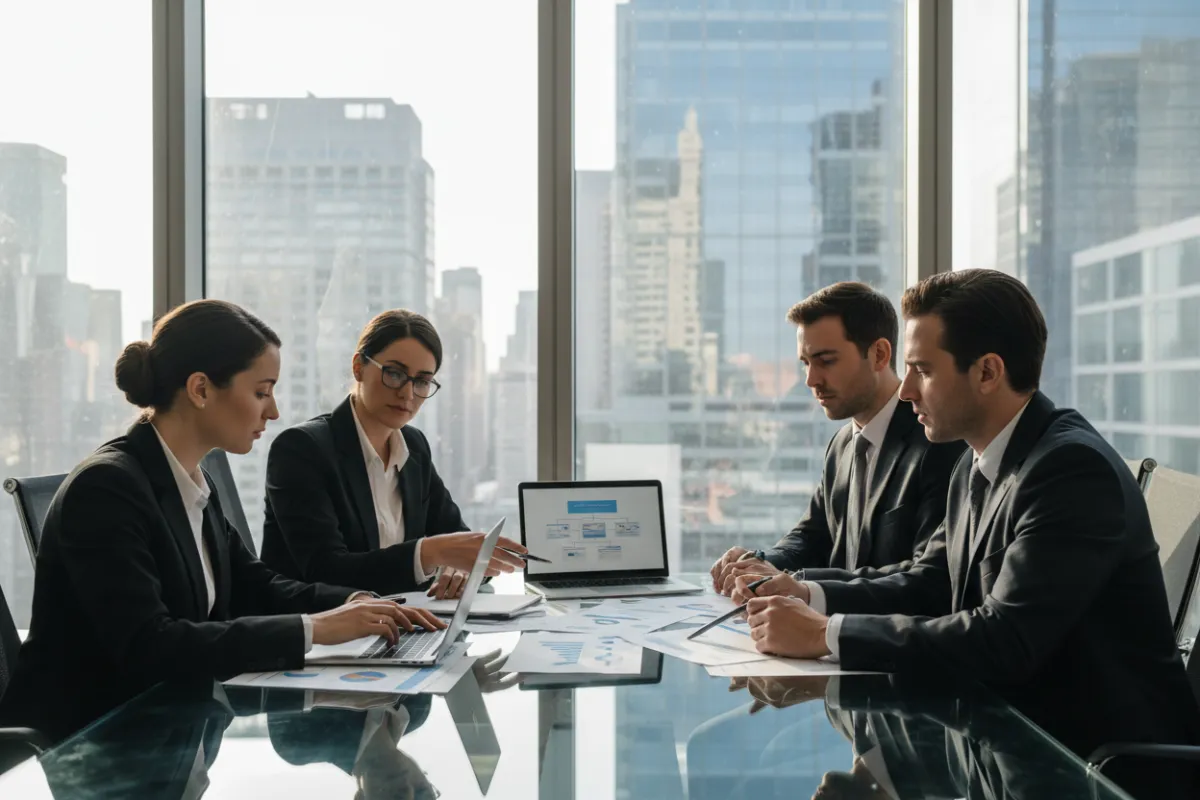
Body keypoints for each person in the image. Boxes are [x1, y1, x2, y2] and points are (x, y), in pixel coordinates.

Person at [735, 270, 1200, 794]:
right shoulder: (977, 461)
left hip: (1090, 767)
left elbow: (1005, 638)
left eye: (922, 370)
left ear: (987, 372)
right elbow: (931, 583)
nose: (906, 390)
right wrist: (811, 595)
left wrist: (826, 634)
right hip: (997, 749)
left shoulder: (1070, 470)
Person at [0, 300, 443, 741]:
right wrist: (315, 628)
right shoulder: (106, 491)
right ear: (200, 389)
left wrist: (356, 602)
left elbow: (257, 585)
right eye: (261, 391)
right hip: (90, 745)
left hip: (175, 730)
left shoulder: (189, 481)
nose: (273, 412)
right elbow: (150, 645)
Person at [711, 282, 964, 596]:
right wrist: (757, 563)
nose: (811, 380)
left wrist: (801, 585)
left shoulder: (939, 441)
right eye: (806, 363)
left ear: (880, 355)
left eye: (826, 361)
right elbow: (813, 535)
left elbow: (926, 576)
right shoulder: (843, 444)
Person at [260, 309, 527, 600]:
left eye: (422, 381)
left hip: (402, 627)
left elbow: (459, 541)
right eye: (395, 374)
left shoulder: (413, 447)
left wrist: (461, 569)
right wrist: (428, 553)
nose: (408, 394)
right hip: (322, 635)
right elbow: (325, 570)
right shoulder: (302, 449)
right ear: (359, 367)